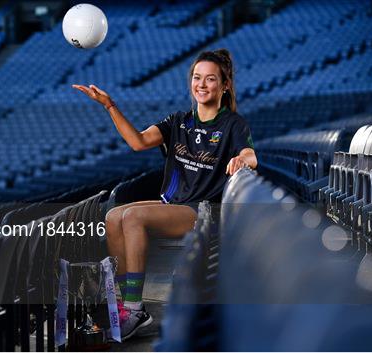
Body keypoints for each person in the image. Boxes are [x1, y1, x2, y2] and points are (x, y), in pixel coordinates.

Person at [72, 49, 257, 341]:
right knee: (112, 216)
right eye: (197, 78)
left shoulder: (233, 124)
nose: (202, 84)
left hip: (204, 210)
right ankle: (126, 304)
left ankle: (134, 310)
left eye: (210, 79)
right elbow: (138, 141)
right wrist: (110, 106)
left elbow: (249, 154)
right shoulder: (179, 121)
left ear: (225, 85)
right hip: (177, 203)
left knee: (132, 217)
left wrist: (242, 160)